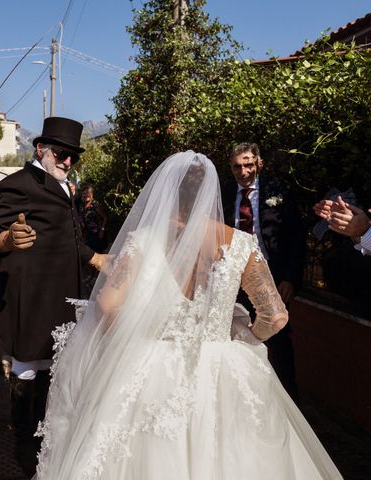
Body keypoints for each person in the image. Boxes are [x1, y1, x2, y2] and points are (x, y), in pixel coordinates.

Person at [35, 151, 342, 479]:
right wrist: (248, 336)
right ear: (210, 194)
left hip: (151, 364)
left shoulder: (143, 241)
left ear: (166, 192)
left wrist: (131, 340)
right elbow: (275, 317)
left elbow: (108, 306)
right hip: (223, 366)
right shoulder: (241, 244)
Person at [0, 116, 107, 475]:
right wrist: (5, 239)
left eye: (73, 157)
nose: (67, 161)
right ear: (41, 150)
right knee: (27, 371)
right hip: (31, 298)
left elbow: (71, 239)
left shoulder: (67, 186)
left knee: (56, 371)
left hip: (65, 295)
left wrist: (95, 258)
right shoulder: (18, 184)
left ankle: (47, 434)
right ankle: (23, 440)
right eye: (62, 154)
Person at [221, 143, 305, 399]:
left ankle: (286, 401)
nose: (243, 171)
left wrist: (290, 277)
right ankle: (248, 398)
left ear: (258, 163)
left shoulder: (279, 190)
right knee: (237, 339)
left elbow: (297, 236)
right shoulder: (223, 194)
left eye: (248, 164)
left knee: (278, 340)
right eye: (237, 166)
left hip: (272, 279)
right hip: (232, 281)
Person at [78, 184, 108, 253]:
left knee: (99, 255)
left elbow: (105, 218)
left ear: (92, 194)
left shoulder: (95, 204)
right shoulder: (82, 205)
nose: (86, 195)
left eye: (88, 193)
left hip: (97, 234)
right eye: (84, 193)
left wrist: (102, 231)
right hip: (87, 235)